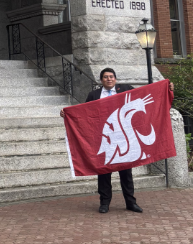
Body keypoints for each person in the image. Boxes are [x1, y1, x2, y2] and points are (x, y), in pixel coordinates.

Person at [60, 67, 174, 214]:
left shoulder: (126, 89)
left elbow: (145, 94)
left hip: (126, 137)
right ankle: (104, 203)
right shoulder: (94, 95)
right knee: (104, 173)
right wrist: (67, 113)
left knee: (126, 173)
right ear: (101, 80)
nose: (109, 79)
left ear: (115, 79)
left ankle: (130, 202)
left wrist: (167, 88)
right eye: (106, 77)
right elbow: (84, 113)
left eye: (111, 76)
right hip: (106, 139)